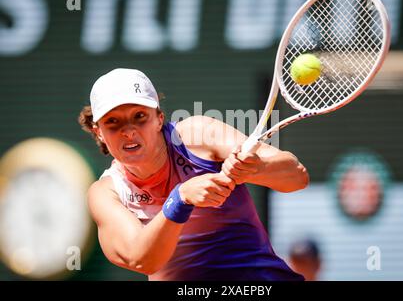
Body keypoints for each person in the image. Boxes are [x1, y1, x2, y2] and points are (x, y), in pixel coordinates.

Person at [79, 68, 309, 280]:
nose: (128, 131)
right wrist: (180, 199)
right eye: (113, 122)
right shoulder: (106, 192)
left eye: (139, 116)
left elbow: (297, 177)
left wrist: (256, 168)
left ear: (159, 119)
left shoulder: (197, 135)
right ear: (98, 132)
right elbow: (142, 260)